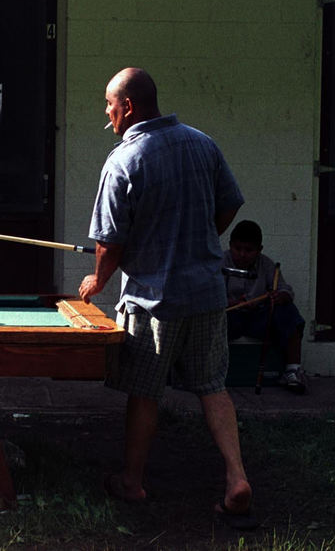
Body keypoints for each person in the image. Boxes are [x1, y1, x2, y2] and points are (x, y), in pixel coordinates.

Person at [78, 68, 258, 530]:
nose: (107, 113)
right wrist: (199, 239)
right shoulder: (201, 143)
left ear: (129, 107)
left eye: (109, 105)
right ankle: (236, 477)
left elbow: (110, 244)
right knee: (213, 386)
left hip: (154, 301)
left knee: (144, 391)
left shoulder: (124, 161)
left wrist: (96, 281)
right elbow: (230, 204)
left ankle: (132, 482)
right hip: (206, 292)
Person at [224, 220, 307, 393]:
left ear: (259, 250)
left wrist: (279, 297)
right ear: (230, 245)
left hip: (258, 318)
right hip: (229, 317)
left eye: (249, 250)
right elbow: (206, 295)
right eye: (237, 248)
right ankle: (207, 372)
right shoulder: (219, 262)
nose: (242, 255)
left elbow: (286, 291)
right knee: (208, 317)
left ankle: (292, 371)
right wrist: (228, 303)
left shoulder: (267, 264)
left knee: (289, 312)